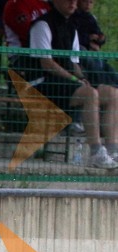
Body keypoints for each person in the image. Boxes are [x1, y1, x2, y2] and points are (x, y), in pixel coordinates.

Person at [29, 0, 118, 168]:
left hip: (67, 83)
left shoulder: (72, 27)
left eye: (75, 0)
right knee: (89, 94)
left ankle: (113, 150)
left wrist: (82, 78)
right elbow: (47, 63)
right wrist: (73, 79)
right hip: (43, 83)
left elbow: (74, 62)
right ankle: (96, 152)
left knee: (111, 93)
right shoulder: (42, 25)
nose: (73, 3)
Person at [70, 0, 118, 87]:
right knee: (90, 59)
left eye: (91, 2)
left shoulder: (91, 18)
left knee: (108, 69)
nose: (88, 5)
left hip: (93, 50)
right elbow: (72, 37)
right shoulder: (72, 17)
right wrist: (88, 40)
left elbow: (97, 33)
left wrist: (101, 39)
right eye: (85, 2)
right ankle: (109, 85)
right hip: (81, 49)